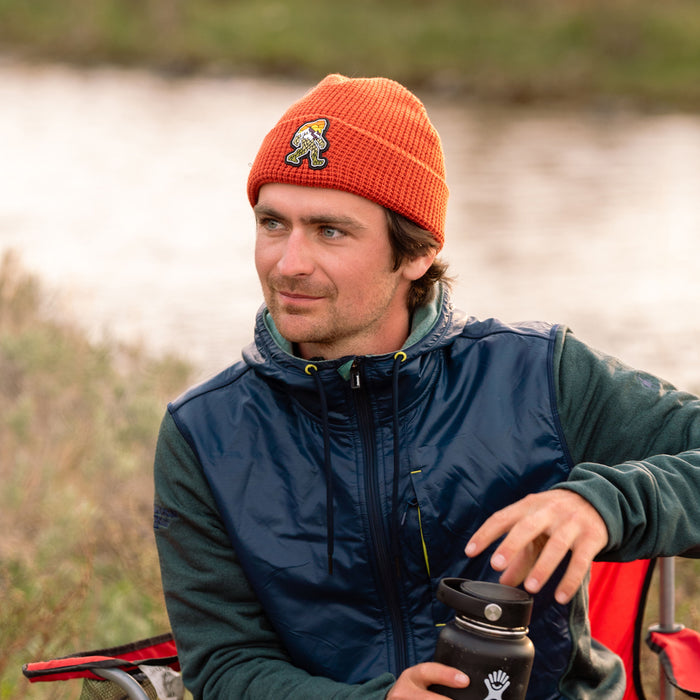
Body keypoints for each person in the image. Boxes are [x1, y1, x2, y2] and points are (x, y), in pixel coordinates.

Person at [152, 74, 700, 700]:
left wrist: (606, 504)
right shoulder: (203, 434)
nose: (288, 263)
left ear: (416, 253)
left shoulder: (540, 375)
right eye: (273, 223)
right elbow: (225, 667)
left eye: (330, 231)